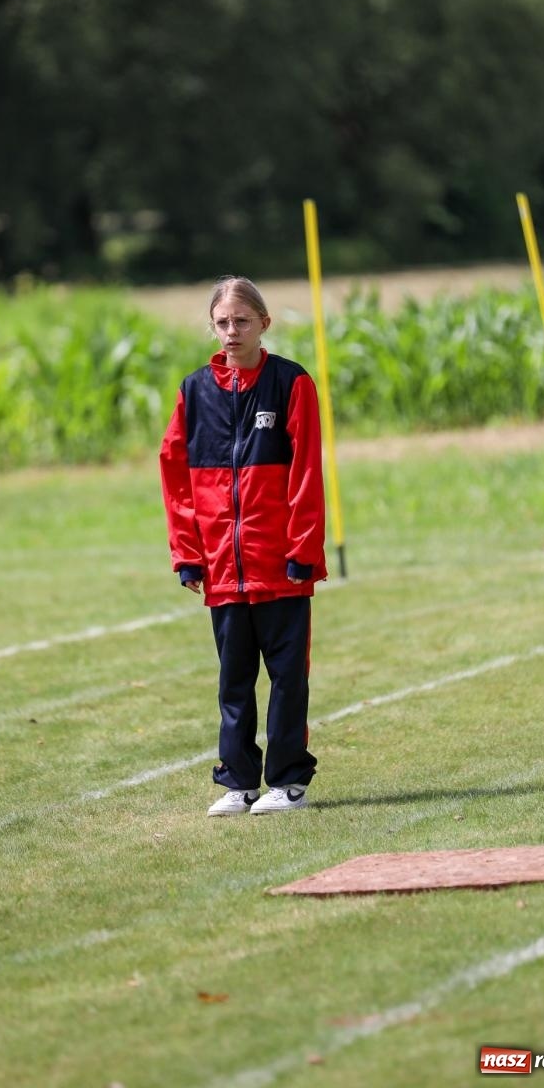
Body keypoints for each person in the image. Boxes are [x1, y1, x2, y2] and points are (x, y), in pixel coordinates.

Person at [159, 275, 327, 817]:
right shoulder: (193, 392)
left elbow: (306, 474)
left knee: (286, 678)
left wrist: (303, 549)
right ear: (213, 326)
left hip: (280, 566)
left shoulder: (291, 384)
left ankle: (287, 782)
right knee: (233, 681)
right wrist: (188, 553)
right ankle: (239, 782)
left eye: (243, 321)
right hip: (222, 571)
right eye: (223, 322)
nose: (232, 332)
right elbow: (176, 478)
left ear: (264, 325)